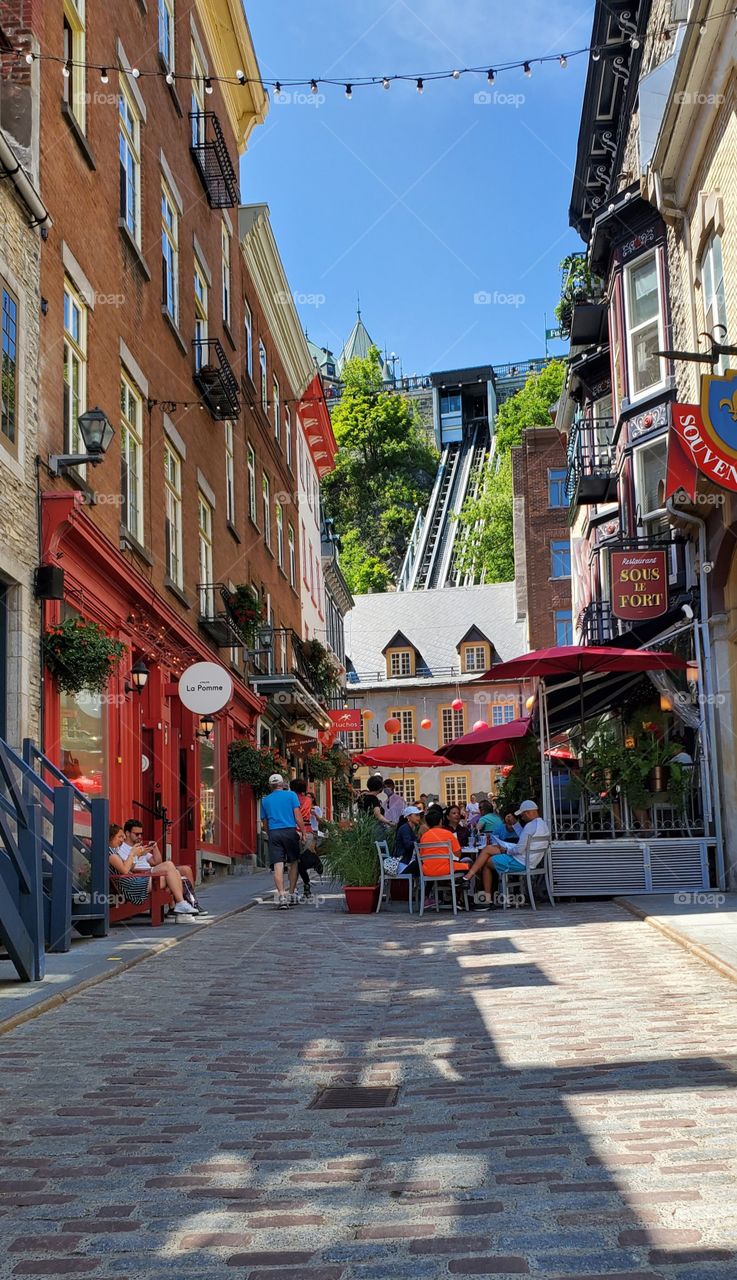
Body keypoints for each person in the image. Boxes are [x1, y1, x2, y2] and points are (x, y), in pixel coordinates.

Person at [462, 800, 549, 901]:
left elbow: (519, 849)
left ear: (527, 813)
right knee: (488, 849)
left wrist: (506, 850)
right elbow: (523, 841)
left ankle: (485, 896)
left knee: (486, 862)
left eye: (522, 815)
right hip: (529, 860)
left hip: (520, 861)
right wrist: (515, 825)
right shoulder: (543, 825)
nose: (522, 818)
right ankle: (470, 876)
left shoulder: (530, 826)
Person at [109, 824, 198, 916]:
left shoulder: (113, 851)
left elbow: (130, 867)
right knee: (171, 871)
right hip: (132, 886)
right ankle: (180, 904)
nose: (122, 840)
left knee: (174, 871)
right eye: (119, 837)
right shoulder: (111, 854)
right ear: (111, 837)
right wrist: (132, 853)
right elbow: (124, 870)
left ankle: (180, 904)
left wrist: (137, 855)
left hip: (134, 880)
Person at [261, 773, 308, 909]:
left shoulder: (265, 800)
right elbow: (297, 816)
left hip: (274, 833)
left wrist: (269, 834)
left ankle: (282, 896)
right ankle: (291, 893)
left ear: (270, 786)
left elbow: (264, 821)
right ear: (282, 784)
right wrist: (303, 832)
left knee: (278, 865)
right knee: (293, 862)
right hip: (289, 831)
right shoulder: (291, 795)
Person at [394, 805, 422, 873]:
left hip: (407, 861)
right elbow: (408, 845)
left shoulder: (409, 828)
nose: (419, 817)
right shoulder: (405, 829)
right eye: (416, 815)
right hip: (403, 863)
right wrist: (420, 840)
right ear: (408, 817)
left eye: (419, 815)